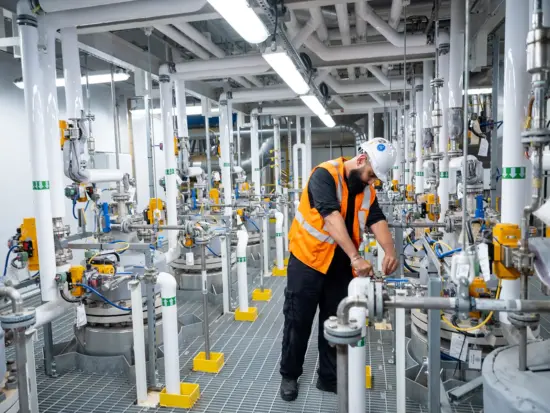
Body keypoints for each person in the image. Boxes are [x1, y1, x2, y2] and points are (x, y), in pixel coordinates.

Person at [279, 138, 399, 401]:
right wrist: (356, 257)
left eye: (374, 179)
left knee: (336, 318)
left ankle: (329, 377)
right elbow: (330, 218)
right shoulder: (324, 175)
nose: (371, 182)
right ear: (361, 160)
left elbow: (376, 218)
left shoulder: (367, 190)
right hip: (308, 260)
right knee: (298, 318)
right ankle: (289, 374)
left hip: (339, 263)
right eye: (370, 175)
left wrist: (390, 251)